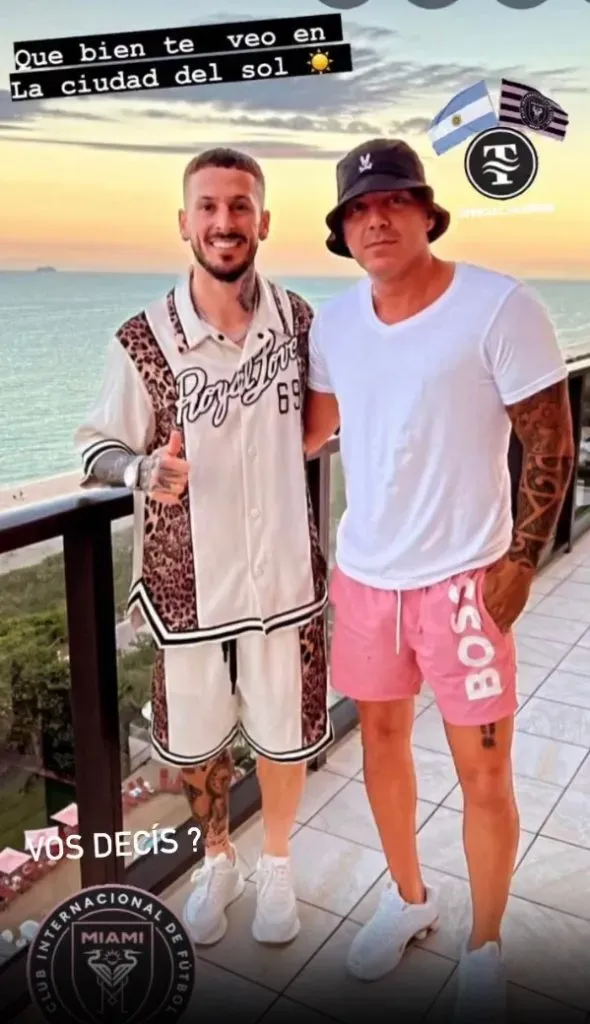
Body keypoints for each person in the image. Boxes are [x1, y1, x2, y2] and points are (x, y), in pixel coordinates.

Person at [304, 138, 574, 1020]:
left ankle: (485, 945)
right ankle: (408, 900)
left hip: (465, 583)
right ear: (344, 231)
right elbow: (315, 429)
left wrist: (523, 562)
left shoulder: (499, 306)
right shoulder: (334, 326)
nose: (375, 219)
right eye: (358, 208)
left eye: (393, 200)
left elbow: (551, 441)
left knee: (483, 772)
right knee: (380, 744)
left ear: (426, 211)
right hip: (365, 578)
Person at [75, 147, 331, 948]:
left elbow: (323, 421)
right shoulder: (142, 339)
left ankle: (277, 862)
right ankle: (218, 856)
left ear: (264, 220)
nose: (225, 221)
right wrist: (143, 469)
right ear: (184, 222)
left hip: (283, 576)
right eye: (209, 207)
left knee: (284, 736)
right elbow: (97, 447)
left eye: (240, 206)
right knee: (196, 742)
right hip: (186, 588)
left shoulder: (301, 323)